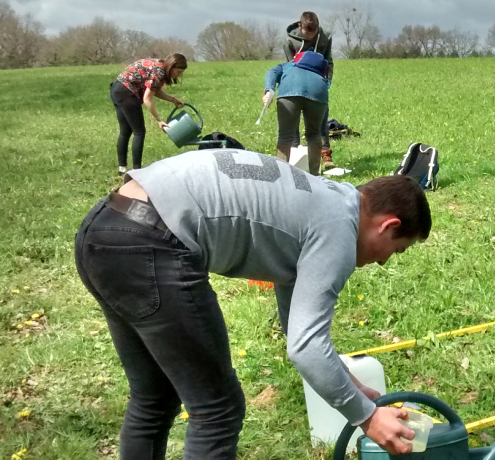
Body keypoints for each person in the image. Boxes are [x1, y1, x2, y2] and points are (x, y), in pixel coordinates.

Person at [74, 149, 430, 459]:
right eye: (396, 251)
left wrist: (349, 384)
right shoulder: (340, 226)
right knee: (217, 410)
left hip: (104, 227)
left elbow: (300, 327)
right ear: (388, 226)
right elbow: (305, 348)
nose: (384, 262)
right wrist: (367, 416)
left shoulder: (325, 199)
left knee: (155, 396)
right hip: (151, 242)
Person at [109, 53, 187, 175]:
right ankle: (137, 171)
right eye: (178, 72)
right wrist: (159, 120)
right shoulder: (159, 72)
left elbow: (154, 90)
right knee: (139, 132)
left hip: (117, 89)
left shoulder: (159, 65)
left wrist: (172, 99)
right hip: (127, 93)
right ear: (171, 66)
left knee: (125, 131)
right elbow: (147, 99)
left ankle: (122, 168)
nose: (179, 75)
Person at [283, 11, 336, 169]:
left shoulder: (325, 37)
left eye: (314, 33)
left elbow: (328, 61)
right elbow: (289, 66)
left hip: (318, 84)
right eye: (308, 33)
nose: (311, 37)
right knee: (293, 121)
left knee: (320, 121)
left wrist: (326, 81)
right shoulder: (289, 41)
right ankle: (295, 154)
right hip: (296, 82)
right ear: (300, 26)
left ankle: (325, 155)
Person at [264, 51, 330, 175]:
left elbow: (271, 72)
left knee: (285, 137)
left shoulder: (288, 65)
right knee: (314, 135)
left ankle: (282, 176)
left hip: (290, 90)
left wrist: (269, 90)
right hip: (318, 90)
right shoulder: (317, 71)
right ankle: (315, 176)